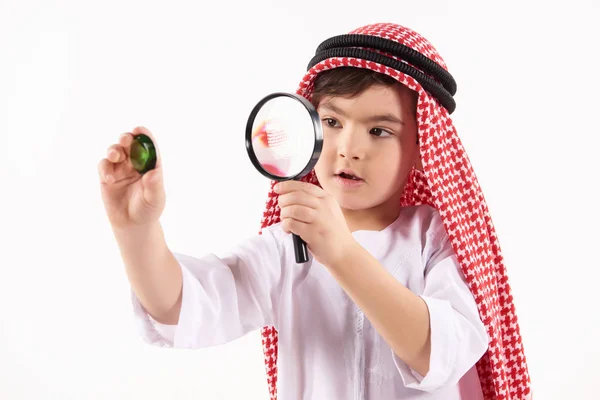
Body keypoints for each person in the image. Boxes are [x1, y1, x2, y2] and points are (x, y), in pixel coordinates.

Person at [98, 22, 531, 399]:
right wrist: (136, 231)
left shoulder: (435, 239)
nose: (349, 149)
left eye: (379, 130)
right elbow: (182, 306)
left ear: (422, 147)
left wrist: (340, 253)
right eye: (332, 122)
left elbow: (439, 351)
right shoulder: (287, 247)